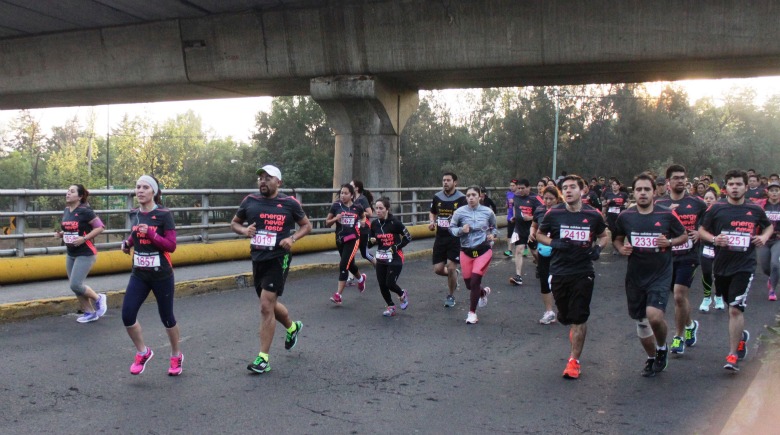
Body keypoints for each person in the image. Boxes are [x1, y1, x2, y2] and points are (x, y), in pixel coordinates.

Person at [231, 165, 312, 374]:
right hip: (258, 257)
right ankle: (293, 327)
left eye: (268, 178)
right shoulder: (250, 201)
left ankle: (263, 359)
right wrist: (244, 230)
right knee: (269, 303)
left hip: (278, 258)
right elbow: (235, 223)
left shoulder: (289, 203)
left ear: (279, 182)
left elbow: (307, 226)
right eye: (260, 178)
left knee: (266, 305)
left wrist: (291, 238)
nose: (263, 181)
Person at [614, 174, 688, 377]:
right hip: (636, 275)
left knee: (654, 317)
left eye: (647, 189)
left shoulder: (666, 215)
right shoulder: (625, 217)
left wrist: (670, 243)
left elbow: (683, 235)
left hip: (660, 274)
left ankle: (662, 347)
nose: (643, 193)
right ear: (634, 193)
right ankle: (652, 356)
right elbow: (617, 239)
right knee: (641, 321)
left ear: (654, 192)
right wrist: (621, 249)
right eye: (639, 190)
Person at [699, 169, 773, 372]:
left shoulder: (754, 210)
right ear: (725, 187)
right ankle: (741, 338)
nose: (735, 187)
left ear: (746, 187)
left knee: (734, 308)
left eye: (739, 184)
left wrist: (764, 238)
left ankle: (732, 354)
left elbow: (767, 227)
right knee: (728, 304)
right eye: (731, 184)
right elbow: (702, 230)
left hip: (745, 265)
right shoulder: (716, 208)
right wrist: (714, 239)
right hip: (721, 266)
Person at [536, 175, 608, 379]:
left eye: (572, 187)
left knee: (579, 316)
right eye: (564, 188)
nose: (568, 191)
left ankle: (573, 361)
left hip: (583, 271)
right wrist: (554, 243)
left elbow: (604, 236)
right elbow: (540, 235)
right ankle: (572, 326)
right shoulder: (554, 213)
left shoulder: (593, 215)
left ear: (582, 190)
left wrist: (598, 249)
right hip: (559, 271)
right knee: (565, 316)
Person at [120, 175, 183, 376]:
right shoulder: (134, 213)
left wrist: (152, 235)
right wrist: (128, 243)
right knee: (127, 315)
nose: (140, 191)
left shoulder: (164, 214)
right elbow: (134, 232)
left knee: (167, 318)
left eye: (145, 187)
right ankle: (143, 351)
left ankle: (176, 355)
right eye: (138, 187)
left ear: (153, 192)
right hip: (139, 273)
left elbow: (171, 246)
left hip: (161, 274)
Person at [655, 164, 708, 356]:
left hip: (689, 255)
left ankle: (678, 337)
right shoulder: (659, 203)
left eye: (682, 177)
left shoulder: (698, 203)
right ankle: (690, 324)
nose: (680, 180)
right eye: (676, 178)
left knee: (679, 295)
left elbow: (707, 224)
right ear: (668, 182)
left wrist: (699, 232)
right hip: (667, 256)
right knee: (678, 298)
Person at [55, 184, 107, 323]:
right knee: (75, 285)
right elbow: (71, 229)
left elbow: (100, 227)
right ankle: (89, 312)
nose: (68, 193)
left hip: (86, 252)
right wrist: (62, 234)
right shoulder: (67, 210)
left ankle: (98, 298)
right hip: (71, 252)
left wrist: (84, 238)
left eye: (72, 192)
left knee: (75, 284)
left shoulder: (85, 211)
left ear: (80, 196)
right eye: (67, 191)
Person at [449, 186, 498, 324]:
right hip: (466, 250)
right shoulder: (459, 212)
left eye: (474, 195)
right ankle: (482, 293)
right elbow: (451, 229)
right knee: (470, 285)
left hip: (483, 250)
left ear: (480, 196)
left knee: (475, 280)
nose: (470, 197)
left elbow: (494, 228)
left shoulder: (488, 212)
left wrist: (492, 235)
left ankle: (472, 313)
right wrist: (461, 230)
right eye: (468, 195)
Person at [368, 197, 412, 317]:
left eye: (381, 208)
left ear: (387, 209)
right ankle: (391, 306)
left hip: (395, 257)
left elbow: (408, 237)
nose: (378, 211)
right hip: (381, 257)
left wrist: (395, 247)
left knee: (390, 283)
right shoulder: (374, 224)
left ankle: (402, 293)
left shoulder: (395, 223)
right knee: (382, 284)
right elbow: (369, 243)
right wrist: (372, 241)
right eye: (376, 208)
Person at [429, 172, 467, 307]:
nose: (445, 182)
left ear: (455, 182)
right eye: (443, 180)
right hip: (440, 237)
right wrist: (432, 222)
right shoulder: (437, 197)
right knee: (438, 269)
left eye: (448, 180)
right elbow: (432, 212)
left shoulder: (462, 198)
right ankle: (454, 275)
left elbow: (466, 215)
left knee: (450, 267)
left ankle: (451, 296)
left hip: (455, 238)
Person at [326, 183, 367, 304]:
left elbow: (364, 216)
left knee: (344, 264)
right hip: (340, 239)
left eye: (345, 193)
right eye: (341, 193)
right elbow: (327, 222)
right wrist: (335, 218)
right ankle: (361, 278)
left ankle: (338, 295)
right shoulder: (336, 206)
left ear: (351, 195)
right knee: (350, 264)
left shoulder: (357, 207)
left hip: (353, 239)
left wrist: (363, 222)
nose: (343, 196)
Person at [529, 185, 562, 325]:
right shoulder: (540, 210)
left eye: (551, 199)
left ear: (557, 199)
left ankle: (563, 307)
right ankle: (549, 311)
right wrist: (532, 232)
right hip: (543, 249)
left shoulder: (563, 210)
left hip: (559, 250)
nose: (548, 201)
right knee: (544, 279)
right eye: (545, 198)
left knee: (558, 280)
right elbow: (534, 225)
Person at [509, 179, 543, 286]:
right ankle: (518, 276)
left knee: (534, 252)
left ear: (529, 188)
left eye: (523, 188)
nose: (520, 190)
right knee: (519, 250)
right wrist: (515, 216)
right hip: (519, 229)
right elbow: (515, 207)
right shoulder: (516, 196)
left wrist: (531, 217)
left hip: (531, 229)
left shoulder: (535, 198)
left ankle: (541, 266)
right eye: (518, 188)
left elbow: (544, 212)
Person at [698, 189, 725, 312]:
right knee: (707, 271)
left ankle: (719, 296)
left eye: (711, 198)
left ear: (717, 199)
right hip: (706, 245)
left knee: (719, 273)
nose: (708, 200)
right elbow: (697, 228)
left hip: (720, 246)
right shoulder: (701, 213)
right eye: (706, 198)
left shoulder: (722, 212)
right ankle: (706, 297)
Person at [759, 181, 780, 301]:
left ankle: (772, 290)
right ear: (768, 192)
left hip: (778, 239)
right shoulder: (762, 205)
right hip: (764, 239)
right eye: (772, 190)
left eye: (777, 190)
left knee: (775, 265)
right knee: (766, 267)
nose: (774, 193)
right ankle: (771, 277)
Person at [351, 179, 376, 269]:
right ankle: (350, 278)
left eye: (351, 185)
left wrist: (359, 212)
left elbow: (370, 213)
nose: (349, 187)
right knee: (350, 252)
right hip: (353, 228)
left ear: (356, 188)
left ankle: (378, 266)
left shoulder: (362, 199)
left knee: (364, 253)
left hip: (363, 228)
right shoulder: (351, 199)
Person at [602, 179, 630, 246]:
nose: (614, 186)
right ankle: (615, 243)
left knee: (619, 230)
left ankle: (618, 243)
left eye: (616, 185)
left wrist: (626, 205)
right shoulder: (608, 194)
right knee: (613, 230)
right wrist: (607, 203)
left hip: (620, 215)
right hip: (611, 215)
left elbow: (629, 201)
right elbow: (603, 204)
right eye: (613, 185)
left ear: (619, 186)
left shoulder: (623, 194)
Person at [504, 179, 518, 257]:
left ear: (517, 186)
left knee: (520, 233)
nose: (512, 187)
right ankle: (509, 250)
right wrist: (507, 204)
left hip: (518, 217)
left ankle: (524, 248)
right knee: (509, 233)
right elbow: (507, 204)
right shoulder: (508, 194)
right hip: (510, 217)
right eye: (511, 185)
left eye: (513, 185)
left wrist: (514, 201)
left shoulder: (519, 194)